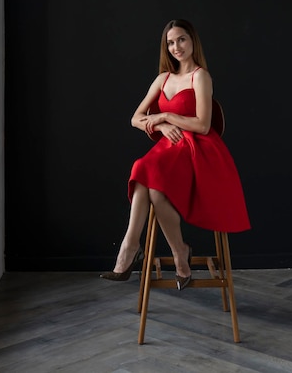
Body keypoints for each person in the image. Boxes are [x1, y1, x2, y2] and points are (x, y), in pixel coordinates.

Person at [100, 18, 251, 290]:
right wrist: (162, 123)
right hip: (170, 148)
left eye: (181, 39)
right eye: (170, 42)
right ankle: (175, 252)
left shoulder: (200, 76)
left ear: (192, 40)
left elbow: (203, 124)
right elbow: (135, 118)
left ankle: (130, 249)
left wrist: (167, 114)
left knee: (144, 168)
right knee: (153, 187)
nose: (176, 46)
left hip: (197, 149)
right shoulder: (163, 79)